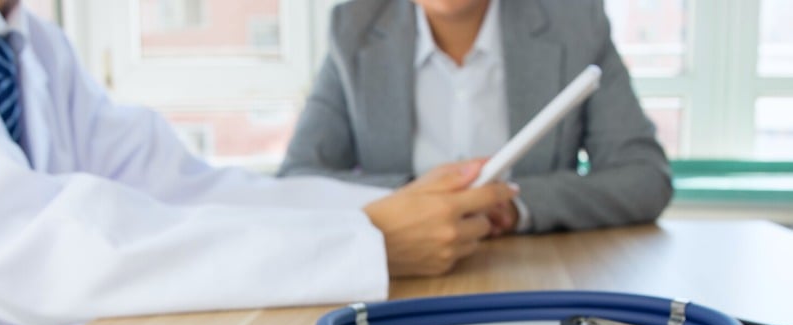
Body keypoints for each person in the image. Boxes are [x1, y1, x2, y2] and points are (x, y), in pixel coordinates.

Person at [0, 0, 514, 325]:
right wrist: (365, 241)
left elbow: (188, 189)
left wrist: (385, 213)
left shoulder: (37, 47)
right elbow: (31, 244)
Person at [278, 0, 673, 234]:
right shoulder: (354, 28)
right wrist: (418, 201)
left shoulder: (576, 23)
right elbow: (299, 180)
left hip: (541, 275)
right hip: (400, 280)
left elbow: (644, 177)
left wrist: (514, 205)